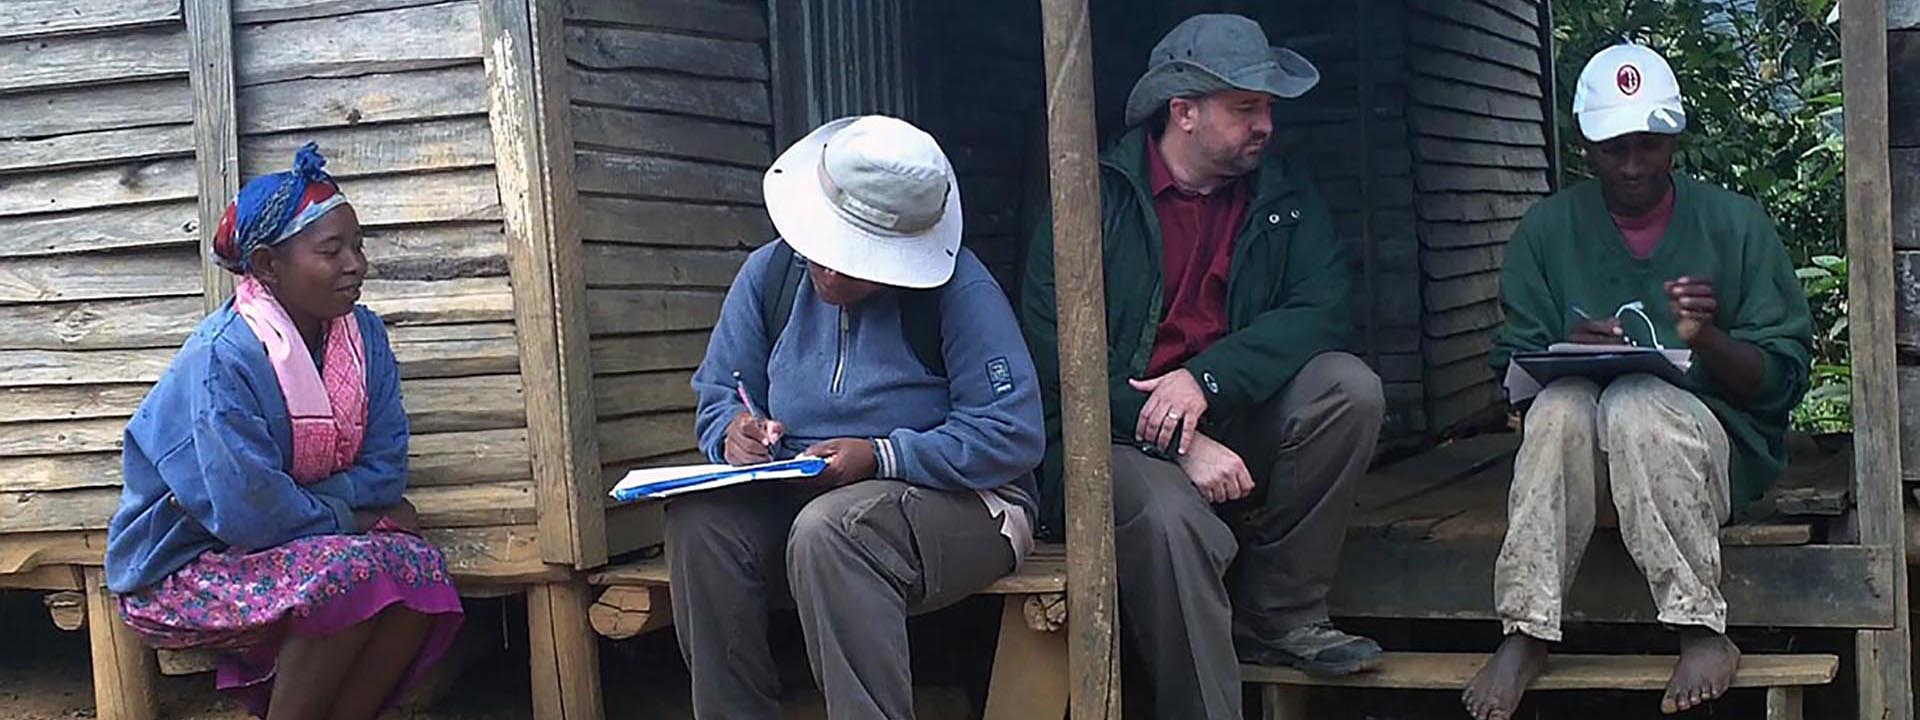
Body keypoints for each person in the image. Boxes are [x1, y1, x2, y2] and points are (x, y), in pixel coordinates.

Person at [1021, 14, 1386, 719]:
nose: (1265, 125)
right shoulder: (1090, 199)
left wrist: (1207, 380)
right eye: (1246, 108)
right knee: (1169, 520)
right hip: (1112, 437)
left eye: (1268, 109)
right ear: (1183, 113)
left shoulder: (1282, 195)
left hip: (1230, 412)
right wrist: (1176, 440)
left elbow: (1323, 308)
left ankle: (1281, 616)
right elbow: (1055, 360)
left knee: (1349, 389)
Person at [1462, 44, 1814, 720]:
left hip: (1703, 458)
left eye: (1648, 147)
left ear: (1674, 139)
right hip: (1580, 465)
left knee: (1637, 400)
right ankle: (1526, 629)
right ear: (1585, 145)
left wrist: (1705, 339)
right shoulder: (1548, 231)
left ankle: (1699, 627)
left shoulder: (1735, 226)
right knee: (1563, 406)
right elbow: (1510, 368)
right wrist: (1563, 350)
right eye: (1612, 148)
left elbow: (1779, 382)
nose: (1631, 165)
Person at [670, 115, 1045, 720]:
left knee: (833, 529)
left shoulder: (960, 292)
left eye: (855, 260)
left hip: (965, 503)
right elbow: (721, 390)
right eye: (825, 252)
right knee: (701, 525)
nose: (831, 273)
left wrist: (882, 455)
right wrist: (731, 435)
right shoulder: (769, 275)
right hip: (801, 494)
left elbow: (1013, 432)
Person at [103, 144, 464, 720]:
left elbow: (385, 467)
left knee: (419, 570)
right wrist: (357, 516)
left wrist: (341, 511)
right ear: (269, 266)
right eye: (332, 250)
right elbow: (251, 513)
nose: (356, 264)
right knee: (352, 575)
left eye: (358, 245)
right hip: (186, 567)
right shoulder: (224, 357)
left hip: (299, 548)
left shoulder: (364, 337)